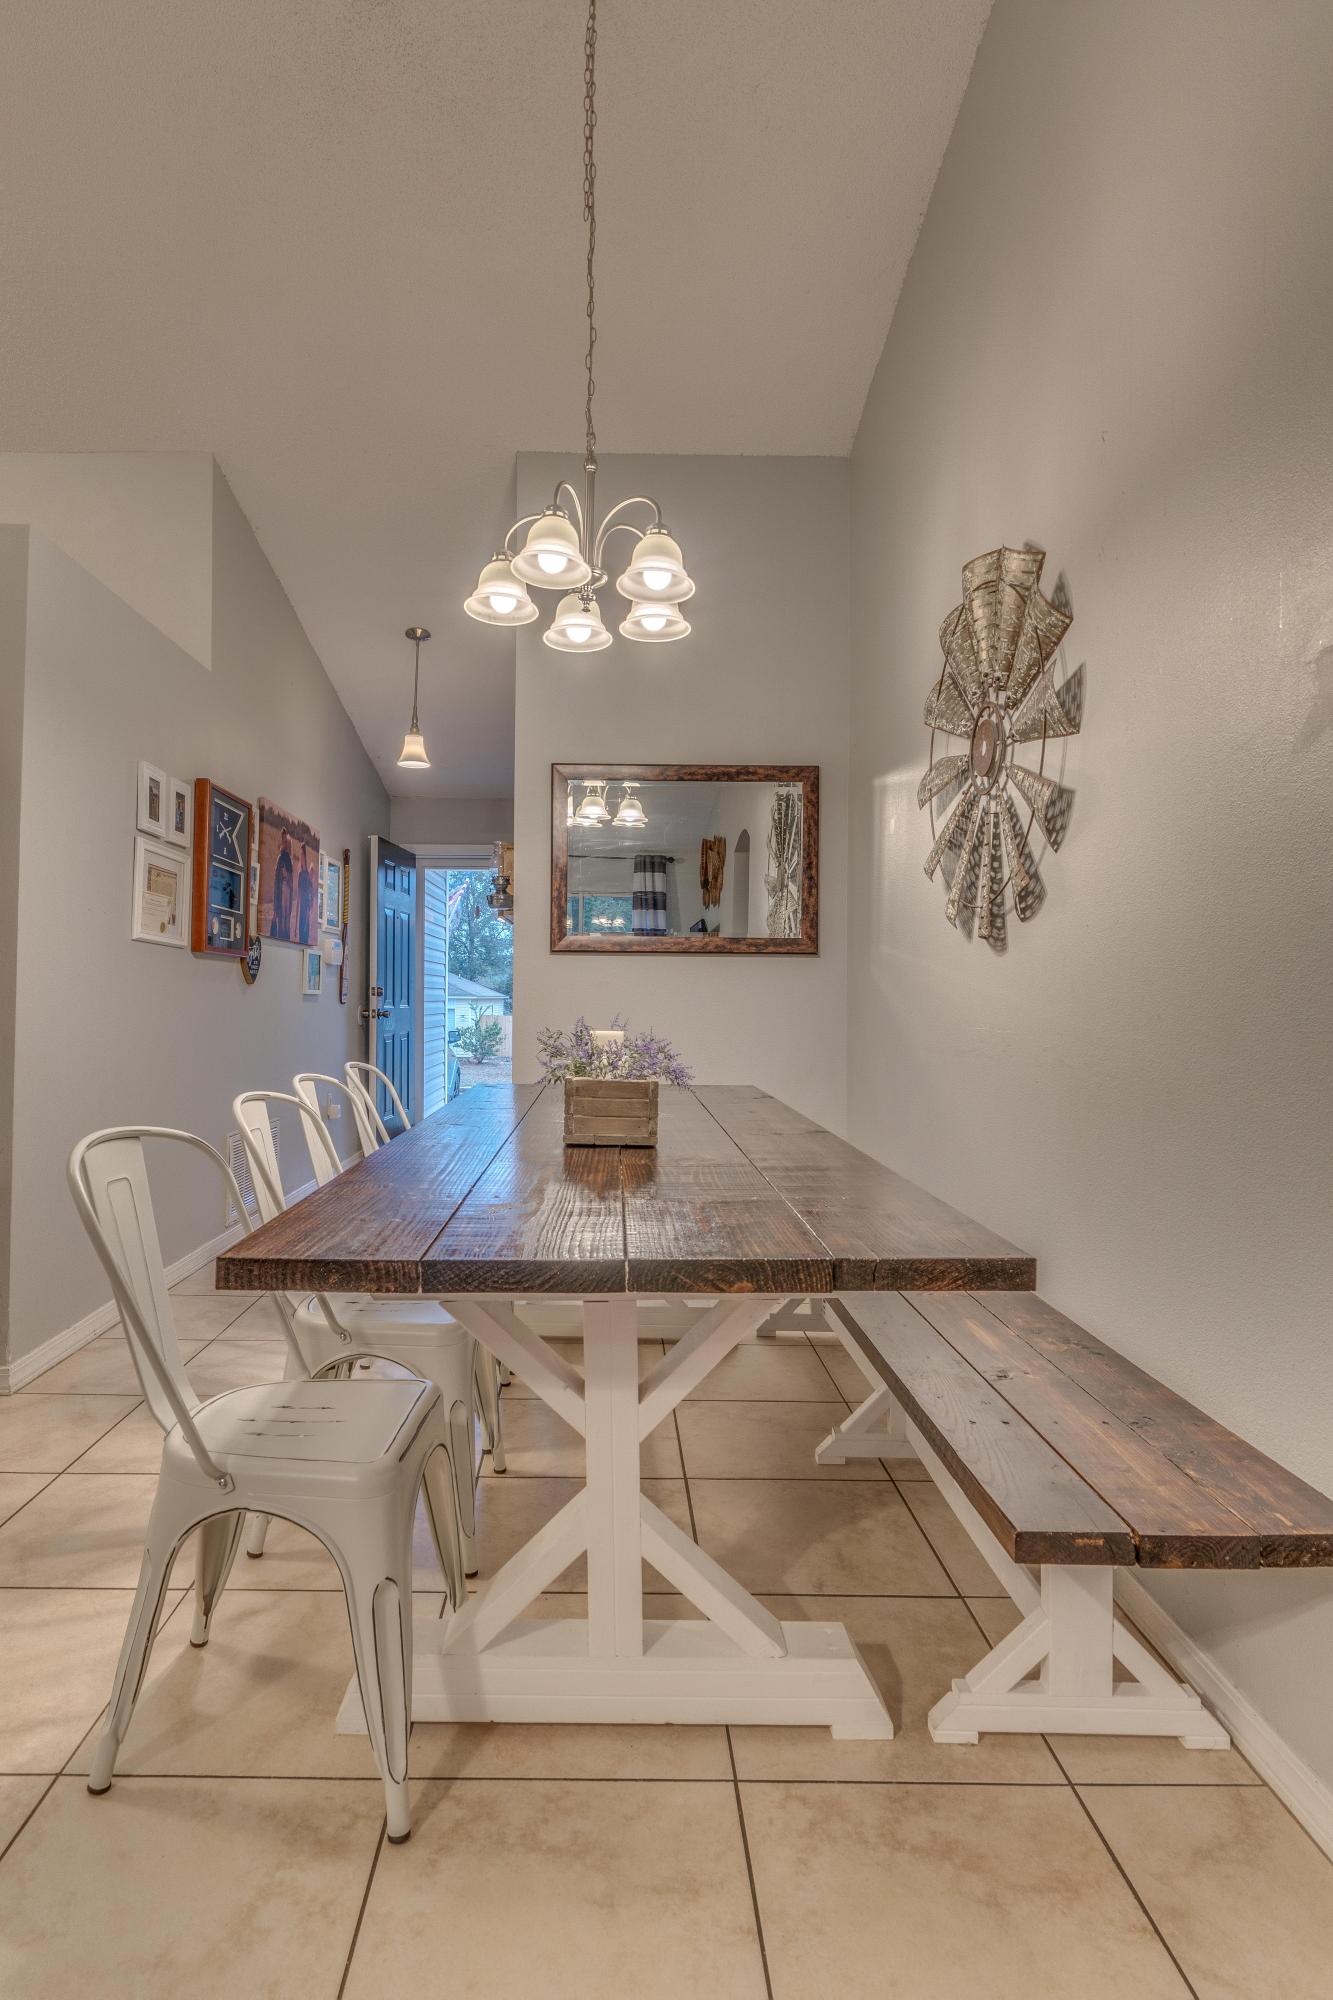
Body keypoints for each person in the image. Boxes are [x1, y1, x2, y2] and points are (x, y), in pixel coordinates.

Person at [271, 829, 294, 940]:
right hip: (280, 893)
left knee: (285, 921)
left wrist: (286, 876)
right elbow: (276, 881)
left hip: (287, 892)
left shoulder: (288, 859)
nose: (283, 843)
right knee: (281, 921)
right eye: (283, 840)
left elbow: (291, 882)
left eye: (285, 841)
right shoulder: (280, 858)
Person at [296, 841, 317, 945]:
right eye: (301, 855)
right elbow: (299, 894)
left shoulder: (308, 876)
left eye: (303, 855)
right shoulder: (301, 874)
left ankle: (304, 942)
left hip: (307, 907)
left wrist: (310, 907)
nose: (301, 857)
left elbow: (310, 892)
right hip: (303, 907)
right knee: (302, 926)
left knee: (306, 927)